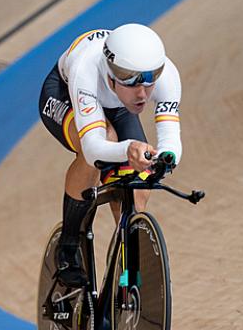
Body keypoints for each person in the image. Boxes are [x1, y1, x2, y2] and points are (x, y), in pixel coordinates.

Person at [38, 23, 183, 288]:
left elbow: (171, 138)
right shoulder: (87, 70)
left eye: (150, 83)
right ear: (111, 75)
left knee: (136, 189)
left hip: (118, 103)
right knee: (106, 143)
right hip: (65, 95)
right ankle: (68, 247)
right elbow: (94, 149)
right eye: (133, 82)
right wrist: (127, 150)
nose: (142, 93)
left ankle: (123, 275)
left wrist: (164, 158)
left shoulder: (167, 75)